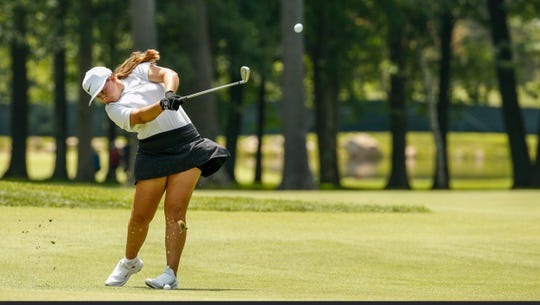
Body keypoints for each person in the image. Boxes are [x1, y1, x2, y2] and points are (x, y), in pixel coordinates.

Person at [82, 49, 230, 289]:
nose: (103, 98)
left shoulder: (138, 72)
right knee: (140, 216)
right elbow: (140, 117)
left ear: (112, 78)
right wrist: (163, 104)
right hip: (153, 152)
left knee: (175, 211)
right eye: (98, 97)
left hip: (187, 144)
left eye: (102, 91)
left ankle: (170, 274)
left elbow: (168, 74)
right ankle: (130, 262)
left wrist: (170, 93)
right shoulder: (113, 109)